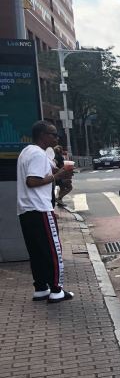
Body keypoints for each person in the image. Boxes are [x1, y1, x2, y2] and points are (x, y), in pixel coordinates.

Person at [16, 120, 74, 303]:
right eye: (53, 134)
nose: (57, 137)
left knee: (37, 251)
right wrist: (57, 176)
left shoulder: (27, 152)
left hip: (26, 210)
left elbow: (43, 171)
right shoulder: (38, 155)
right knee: (52, 250)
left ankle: (41, 287)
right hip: (40, 208)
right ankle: (57, 289)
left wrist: (58, 173)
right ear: (43, 135)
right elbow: (32, 181)